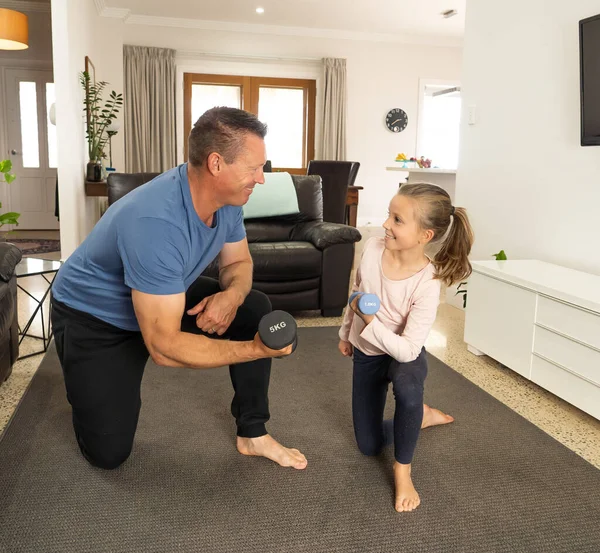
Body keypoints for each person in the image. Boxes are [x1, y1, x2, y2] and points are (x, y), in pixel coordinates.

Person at [50, 107, 307, 471]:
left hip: (163, 295)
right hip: (95, 316)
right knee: (107, 453)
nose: (261, 179)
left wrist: (231, 297)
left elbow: (238, 264)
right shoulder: (154, 220)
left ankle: (252, 431)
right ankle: (83, 383)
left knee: (254, 307)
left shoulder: (229, 199)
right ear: (216, 164)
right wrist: (253, 349)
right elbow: (164, 350)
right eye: (254, 169)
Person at [338, 183, 474, 512]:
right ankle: (421, 418)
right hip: (368, 353)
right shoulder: (372, 248)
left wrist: (370, 323)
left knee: (409, 390)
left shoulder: (428, 282)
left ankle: (403, 471)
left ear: (425, 235)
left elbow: (408, 351)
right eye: (388, 214)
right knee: (369, 446)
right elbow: (357, 292)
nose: (385, 224)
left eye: (397, 219)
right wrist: (346, 332)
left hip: (403, 354)